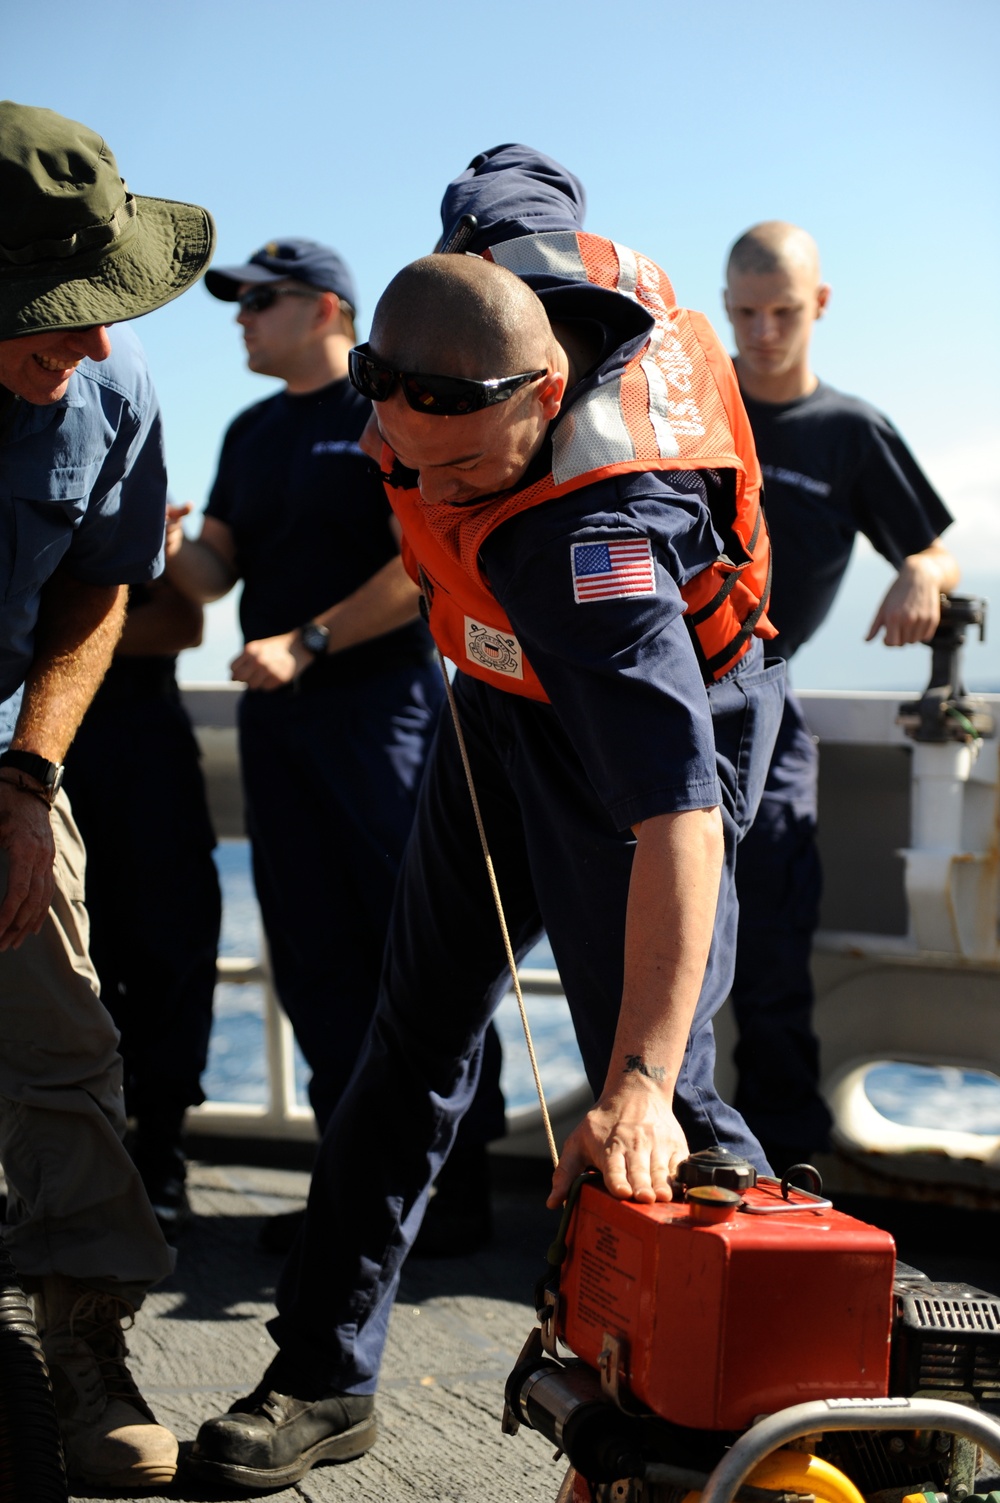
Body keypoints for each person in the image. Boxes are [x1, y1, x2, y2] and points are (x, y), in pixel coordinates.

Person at [190, 145, 785, 1493]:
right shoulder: (488, 269)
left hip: (640, 726)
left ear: (547, 394)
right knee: (409, 1031)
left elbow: (679, 813)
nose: (437, 495)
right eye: (412, 462)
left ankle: (722, 1427)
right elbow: (519, 170)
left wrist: (630, 1081)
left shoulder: (594, 553)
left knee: (666, 1093)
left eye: (470, 475)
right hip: (500, 702)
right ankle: (322, 1374)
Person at [165, 238, 505, 1255]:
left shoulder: (388, 413)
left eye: (257, 302)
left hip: (380, 715)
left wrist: (308, 642)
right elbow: (212, 575)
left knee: (415, 951)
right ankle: (351, 1193)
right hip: (284, 724)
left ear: (323, 309)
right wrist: (156, 538)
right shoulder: (252, 430)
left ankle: (452, 1194)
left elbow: (425, 562)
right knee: (312, 954)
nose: (239, 318)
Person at [0, 100, 214, 1487]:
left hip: (2, 755)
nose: (92, 341)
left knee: (65, 1031)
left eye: (105, 303)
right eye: (54, 311)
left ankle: (85, 1338)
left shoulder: (116, 389)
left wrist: (27, 780)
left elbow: (98, 585)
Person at [723, 220, 959, 1171]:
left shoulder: (849, 431)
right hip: (657, 696)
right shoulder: (695, 412)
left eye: (783, 312)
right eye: (744, 313)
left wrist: (920, 574)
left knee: (774, 938)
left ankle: (784, 1167)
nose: (764, 332)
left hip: (766, 700)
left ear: (818, 306)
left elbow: (932, 541)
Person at [61, 573, 222, 1237]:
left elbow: (182, 623)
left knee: (169, 947)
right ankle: (74, 1158)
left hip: (139, 735)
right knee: (58, 956)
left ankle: (160, 1153)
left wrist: (48, 637)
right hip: (40, 744)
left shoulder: (131, 487)